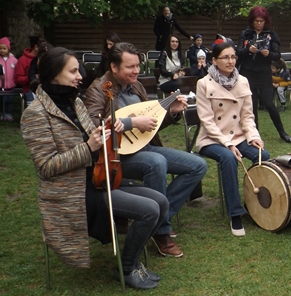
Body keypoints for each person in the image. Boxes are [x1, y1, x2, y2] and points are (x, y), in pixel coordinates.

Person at [21, 47, 169, 290]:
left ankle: (129, 261)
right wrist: (88, 147)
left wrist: (105, 129)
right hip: (72, 191)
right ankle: (127, 268)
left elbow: (92, 136)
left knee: (161, 202)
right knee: (149, 209)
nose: (80, 76)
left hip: (99, 177)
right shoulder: (35, 114)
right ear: (54, 74)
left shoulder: (75, 101)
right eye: (73, 71)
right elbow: (46, 166)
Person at [85, 42, 207, 258]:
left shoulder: (137, 87)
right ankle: (161, 232)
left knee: (197, 165)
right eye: (130, 67)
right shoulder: (98, 89)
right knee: (155, 163)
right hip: (117, 155)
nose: (136, 71)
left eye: (138, 66)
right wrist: (131, 123)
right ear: (114, 67)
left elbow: (149, 126)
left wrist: (172, 112)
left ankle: (157, 216)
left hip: (145, 146)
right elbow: (94, 125)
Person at [196, 42, 270, 237]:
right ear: (214, 60)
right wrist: (227, 143)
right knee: (229, 159)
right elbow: (207, 121)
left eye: (233, 57)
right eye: (225, 57)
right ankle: (235, 213)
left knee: (263, 155)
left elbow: (247, 116)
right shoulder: (204, 83)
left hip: (238, 136)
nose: (230, 61)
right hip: (212, 139)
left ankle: (252, 203)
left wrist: (253, 137)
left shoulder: (243, 81)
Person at [236, 6, 291, 143]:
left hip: (264, 73)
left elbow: (277, 55)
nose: (259, 24)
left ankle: (282, 132)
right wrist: (248, 50)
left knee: (269, 103)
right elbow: (238, 52)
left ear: (265, 21)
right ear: (252, 21)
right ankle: (255, 135)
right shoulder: (246, 33)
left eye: (261, 21)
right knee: (252, 105)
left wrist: (269, 54)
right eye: (256, 21)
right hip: (248, 73)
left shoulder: (271, 34)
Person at [0, 37, 19, 121]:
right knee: (2, 99)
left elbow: (17, 71)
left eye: (4, 48)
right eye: (0, 48)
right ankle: (2, 113)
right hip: (0, 84)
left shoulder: (14, 60)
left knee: (9, 100)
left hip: (10, 84)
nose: (2, 50)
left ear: (8, 49)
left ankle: (8, 113)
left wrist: (15, 80)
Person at [15, 36, 45, 105]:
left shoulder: (45, 58)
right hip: (29, 89)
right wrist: (32, 77)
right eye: (43, 47)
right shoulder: (23, 60)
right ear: (36, 47)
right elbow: (18, 79)